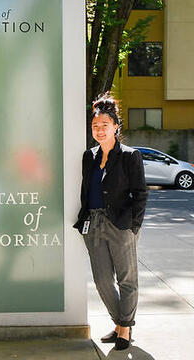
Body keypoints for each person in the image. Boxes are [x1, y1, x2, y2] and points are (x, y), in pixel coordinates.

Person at [74, 93, 147, 351]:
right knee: (103, 280)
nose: (100, 130)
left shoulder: (130, 156)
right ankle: (120, 322)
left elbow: (140, 194)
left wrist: (133, 227)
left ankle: (125, 329)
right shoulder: (89, 156)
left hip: (120, 224)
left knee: (127, 279)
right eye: (95, 126)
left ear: (116, 126)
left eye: (105, 125)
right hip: (93, 223)